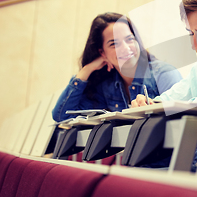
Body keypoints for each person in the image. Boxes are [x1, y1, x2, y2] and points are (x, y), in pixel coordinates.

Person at [52, 12, 182, 122]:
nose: (125, 48)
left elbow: (182, 121)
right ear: (102, 53)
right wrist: (86, 70)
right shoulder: (107, 86)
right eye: (114, 44)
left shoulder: (164, 73)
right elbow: (62, 116)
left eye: (130, 39)